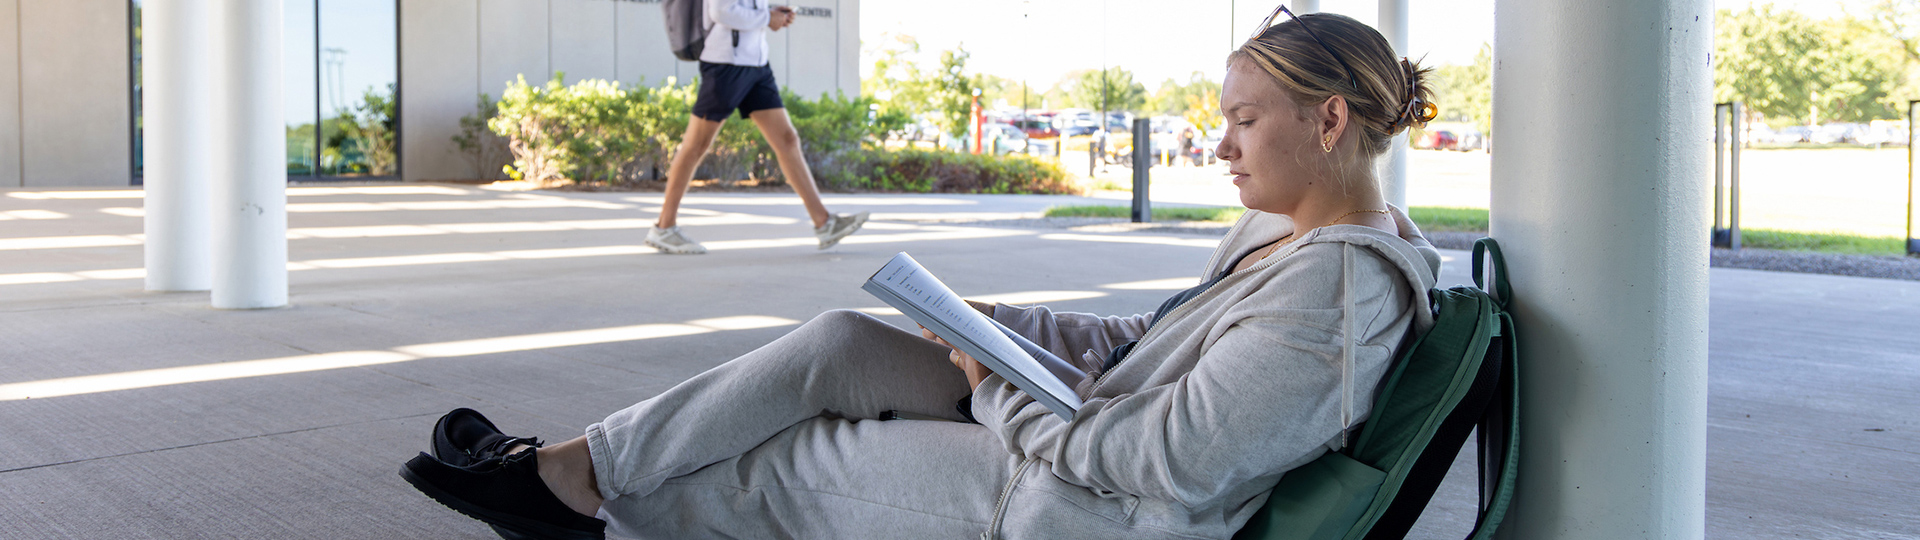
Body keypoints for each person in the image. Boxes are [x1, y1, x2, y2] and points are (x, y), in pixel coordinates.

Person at [399, 7, 1442, 539]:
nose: (1221, 146)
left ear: (1330, 119)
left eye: (1242, 120)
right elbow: (1148, 344)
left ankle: (569, 502)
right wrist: (998, 323)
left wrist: (1000, 403)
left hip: (1083, 506)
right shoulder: (1283, 239)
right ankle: (573, 473)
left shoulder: (1341, 290)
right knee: (842, 346)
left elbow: (1177, 465)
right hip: (1075, 424)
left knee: (793, 462)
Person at [643, 0, 867, 255]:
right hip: (726, 65)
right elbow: (720, 11)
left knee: (787, 139)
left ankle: (825, 223)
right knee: (696, 144)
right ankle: (663, 228)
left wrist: (774, 15)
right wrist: (765, 18)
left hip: (757, 66)